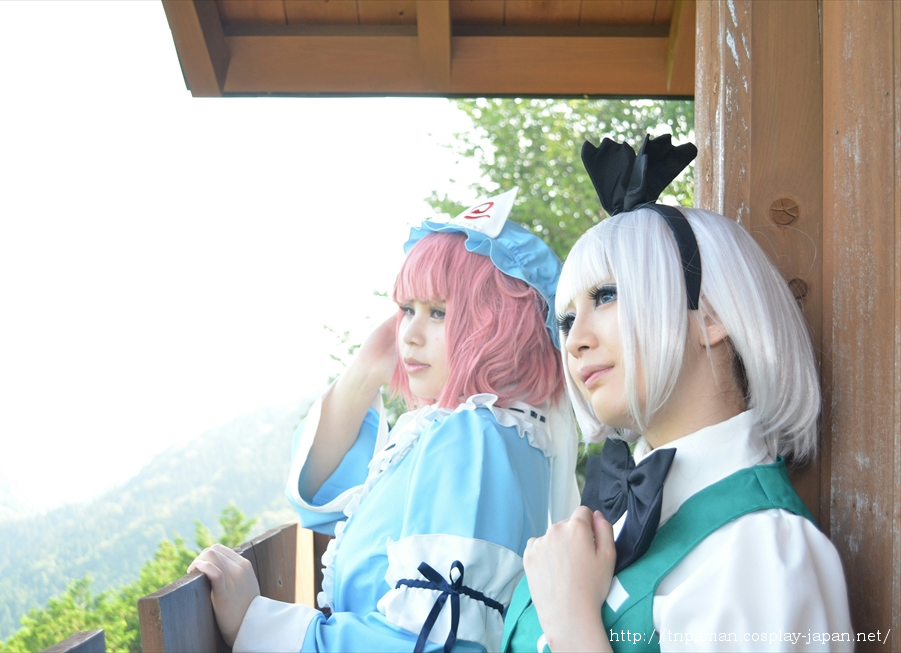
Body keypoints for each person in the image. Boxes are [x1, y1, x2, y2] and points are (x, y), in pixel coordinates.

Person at [502, 135, 852, 652]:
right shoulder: (621, 513)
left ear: (711, 315)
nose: (574, 341)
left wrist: (573, 624)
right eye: (568, 319)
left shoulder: (760, 547)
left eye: (607, 295)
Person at [190, 189, 581, 653]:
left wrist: (258, 624)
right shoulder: (495, 436)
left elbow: (432, 642)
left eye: (439, 312)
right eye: (407, 309)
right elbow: (324, 501)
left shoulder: (473, 439)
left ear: (498, 326)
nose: (408, 334)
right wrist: (364, 372)